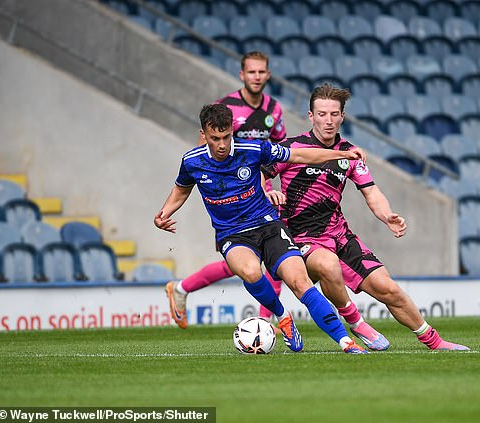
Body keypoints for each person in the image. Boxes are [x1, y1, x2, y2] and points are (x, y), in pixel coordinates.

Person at [164, 53, 388, 352]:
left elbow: (295, 152)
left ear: (267, 75)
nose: (222, 144)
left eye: (227, 137)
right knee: (249, 270)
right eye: (215, 138)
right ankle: (279, 317)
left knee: (297, 280)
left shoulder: (269, 117)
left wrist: (339, 154)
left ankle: (346, 342)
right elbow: (181, 188)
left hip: (268, 219)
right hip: (234, 231)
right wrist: (164, 213)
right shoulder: (207, 140)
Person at [262, 84, 470, 351]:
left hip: (338, 234)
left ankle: (434, 341)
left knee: (389, 289)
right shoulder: (291, 148)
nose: (328, 120)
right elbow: (261, 173)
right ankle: (356, 322)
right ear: (310, 116)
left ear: (342, 117)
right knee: (327, 265)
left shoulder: (350, 154)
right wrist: (269, 191)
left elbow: (371, 192)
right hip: (299, 238)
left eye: (334, 114)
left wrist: (387, 216)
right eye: (322, 114)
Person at [165, 51, 286, 327]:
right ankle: (268, 321)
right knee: (248, 262)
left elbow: (279, 150)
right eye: (251, 72)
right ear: (242, 75)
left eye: (261, 72)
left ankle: (183, 289)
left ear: (268, 74)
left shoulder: (274, 109)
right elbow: (204, 149)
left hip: (259, 194)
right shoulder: (226, 107)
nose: (256, 77)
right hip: (232, 194)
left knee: (264, 262)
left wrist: (268, 184)